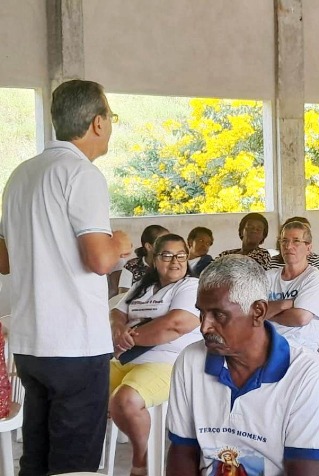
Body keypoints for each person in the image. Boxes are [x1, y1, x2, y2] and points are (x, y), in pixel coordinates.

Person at [0, 79, 132, 474]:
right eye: (110, 117)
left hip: (30, 343)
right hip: (74, 345)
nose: (110, 125)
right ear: (97, 122)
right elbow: (98, 260)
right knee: (74, 461)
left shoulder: (20, 175)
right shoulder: (81, 174)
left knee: (38, 455)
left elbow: (4, 260)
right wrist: (120, 241)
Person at [166, 256, 319, 476]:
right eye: (202, 312)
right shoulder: (190, 361)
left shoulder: (306, 374)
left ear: (258, 312)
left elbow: (304, 470)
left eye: (219, 314)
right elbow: (182, 451)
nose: (205, 326)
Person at [110, 234, 202, 475]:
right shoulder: (143, 286)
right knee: (82, 392)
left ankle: (142, 460)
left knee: (126, 401)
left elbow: (176, 324)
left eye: (181, 255)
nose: (175, 261)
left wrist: (128, 339)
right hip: (125, 358)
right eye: (167, 255)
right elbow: (117, 312)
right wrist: (120, 331)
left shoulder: (190, 286)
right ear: (154, 259)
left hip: (167, 361)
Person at [265, 221, 319, 352]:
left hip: (298, 349)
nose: (288, 246)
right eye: (284, 241)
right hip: (264, 344)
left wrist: (268, 311)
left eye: (296, 241)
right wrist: (285, 304)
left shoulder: (314, 278)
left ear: (308, 248)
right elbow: (252, 311)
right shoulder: (269, 276)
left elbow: (300, 318)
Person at [118, 224, 170, 293]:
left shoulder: (172, 264)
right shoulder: (131, 266)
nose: (169, 246)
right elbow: (123, 295)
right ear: (148, 246)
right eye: (162, 243)